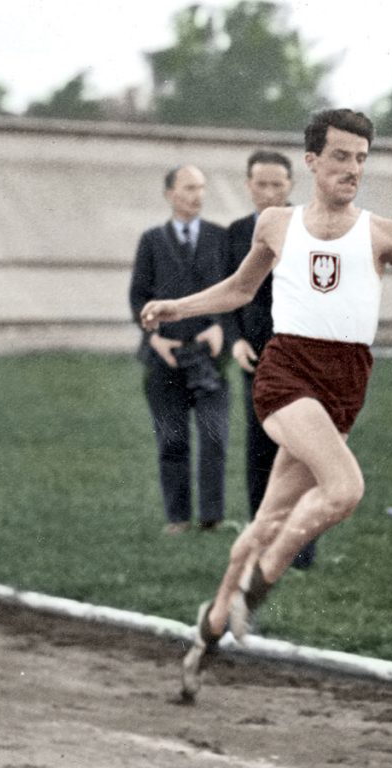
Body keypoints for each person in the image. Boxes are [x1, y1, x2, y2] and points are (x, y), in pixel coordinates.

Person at [140, 108, 392, 700]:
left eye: (361, 158)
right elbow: (238, 289)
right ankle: (255, 591)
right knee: (345, 489)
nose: (351, 169)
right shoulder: (277, 225)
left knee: (269, 517)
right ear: (311, 161)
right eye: (340, 156)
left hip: (345, 384)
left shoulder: (385, 234)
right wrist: (176, 307)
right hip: (285, 373)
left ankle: (208, 628)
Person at [129, 164, 237, 534]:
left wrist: (221, 329)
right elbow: (137, 297)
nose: (197, 195)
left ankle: (212, 518)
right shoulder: (152, 241)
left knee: (214, 437)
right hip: (165, 360)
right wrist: (153, 338)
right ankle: (178, 519)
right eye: (189, 188)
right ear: (170, 194)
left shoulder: (221, 239)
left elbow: (236, 292)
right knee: (171, 439)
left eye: (202, 188)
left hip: (211, 359)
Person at [227, 149, 317, 569]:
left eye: (276, 184)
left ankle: (300, 547)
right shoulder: (235, 233)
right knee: (260, 449)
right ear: (248, 186)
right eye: (260, 184)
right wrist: (234, 340)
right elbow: (227, 293)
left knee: (302, 451)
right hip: (257, 358)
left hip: (303, 356)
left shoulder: (310, 230)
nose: (268, 191)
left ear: (290, 186)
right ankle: (260, 540)